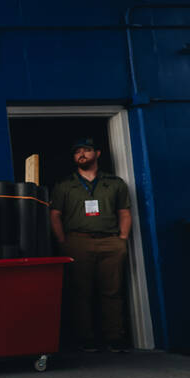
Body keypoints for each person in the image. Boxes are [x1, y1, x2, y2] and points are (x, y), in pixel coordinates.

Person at [49, 138, 132, 353]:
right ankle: (85, 339)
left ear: (97, 153)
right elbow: (55, 215)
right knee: (80, 292)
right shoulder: (64, 185)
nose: (82, 154)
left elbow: (124, 212)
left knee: (112, 291)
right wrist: (63, 242)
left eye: (86, 150)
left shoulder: (115, 183)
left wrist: (122, 239)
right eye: (77, 152)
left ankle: (115, 337)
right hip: (77, 242)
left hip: (110, 242)